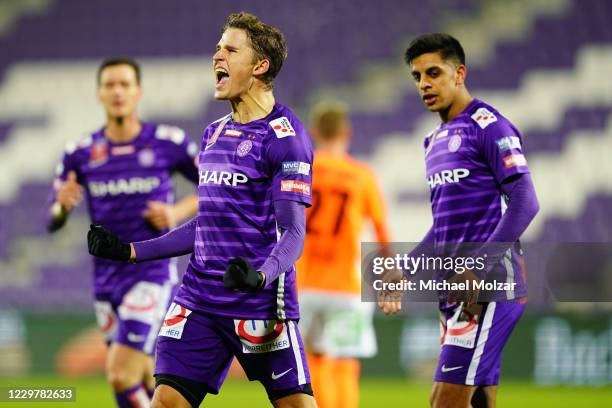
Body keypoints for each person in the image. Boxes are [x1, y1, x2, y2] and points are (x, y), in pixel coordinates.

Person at [87, 12, 317, 408]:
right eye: (217, 47)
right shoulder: (214, 133)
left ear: (259, 66)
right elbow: (207, 226)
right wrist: (130, 251)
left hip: (259, 304)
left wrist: (259, 276)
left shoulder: (286, 139)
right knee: (166, 402)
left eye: (230, 49)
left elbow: (294, 233)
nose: (217, 56)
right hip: (198, 300)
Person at [380, 33, 539, 408]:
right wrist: (406, 269)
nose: (424, 84)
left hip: (487, 287)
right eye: (417, 77)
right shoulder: (432, 141)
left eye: (433, 73)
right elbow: (443, 226)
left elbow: (525, 200)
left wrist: (478, 269)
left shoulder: (488, 125)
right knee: (479, 399)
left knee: (445, 401)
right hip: (454, 288)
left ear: (459, 73)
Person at [47, 57, 199, 407]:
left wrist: (176, 211)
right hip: (105, 280)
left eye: (125, 84)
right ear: (99, 94)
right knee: (142, 376)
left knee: (119, 372)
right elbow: (51, 218)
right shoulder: (80, 153)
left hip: (150, 274)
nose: (117, 91)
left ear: (138, 92)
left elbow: (214, 188)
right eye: (110, 85)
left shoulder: (168, 142)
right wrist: (60, 207)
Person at [296, 102, 390, 408]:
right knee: (346, 364)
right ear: (346, 133)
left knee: (315, 361)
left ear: (313, 133)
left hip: (306, 285)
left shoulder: (302, 172)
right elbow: (381, 233)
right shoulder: (361, 176)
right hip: (346, 289)